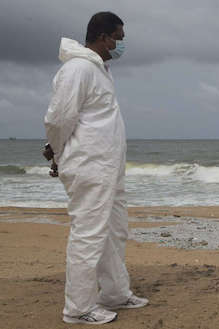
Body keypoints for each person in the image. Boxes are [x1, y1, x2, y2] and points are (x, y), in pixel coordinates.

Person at [44, 12, 147, 325]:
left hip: (108, 166)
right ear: (104, 37)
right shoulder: (77, 69)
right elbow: (59, 119)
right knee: (88, 235)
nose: (121, 46)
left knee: (114, 230)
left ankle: (115, 292)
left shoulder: (100, 69)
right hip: (89, 166)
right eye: (119, 39)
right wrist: (59, 155)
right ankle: (78, 308)